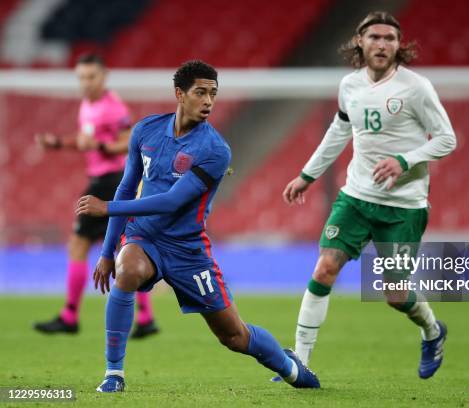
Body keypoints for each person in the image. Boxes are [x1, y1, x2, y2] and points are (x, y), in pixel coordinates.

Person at [76, 60, 320, 392]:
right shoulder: (145, 132)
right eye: (200, 92)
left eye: (213, 94)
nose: (208, 101)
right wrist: (107, 252)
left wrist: (107, 209)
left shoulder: (215, 150)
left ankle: (291, 367)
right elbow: (125, 185)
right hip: (144, 236)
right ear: (180, 94)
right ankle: (113, 374)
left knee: (234, 336)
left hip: (188, 250)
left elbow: (172, 201)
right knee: (127, 269)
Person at [281, 11, 456, 380]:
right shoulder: (350, 86)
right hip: (356, 197)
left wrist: (404, 160)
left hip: (404, 206)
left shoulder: (416, 88)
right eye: (375, 37)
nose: (382, 44)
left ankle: (432, 330)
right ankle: (299, 360)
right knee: (325, 267)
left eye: (390, 38)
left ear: (398, 45)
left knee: (395, 295)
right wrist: (307, 175)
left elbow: (446, 139)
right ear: (360, 41)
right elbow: (339, 131)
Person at [34, 53, 159, 339]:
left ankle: (69, 316)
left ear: (103, 76)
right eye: (81, 77)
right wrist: (57, 143)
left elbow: (129, 140)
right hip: (103, 180)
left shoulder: (111, 106)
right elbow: (84, 139)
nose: (85, 83)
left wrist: (102, 146)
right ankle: (146, 317)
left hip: (110, 181)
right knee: (122, 248)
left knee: (78, 244)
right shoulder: (87, 106)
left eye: (91, 77)